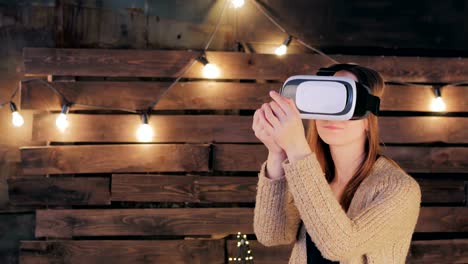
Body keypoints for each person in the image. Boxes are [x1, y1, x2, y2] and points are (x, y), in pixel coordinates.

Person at [252, 63, 422, 264]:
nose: (332, 113)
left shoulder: (401, 189)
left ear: (369, 119)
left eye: (345, 101)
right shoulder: (312, 177)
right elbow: (272, 235)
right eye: (326, 100)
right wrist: (277, 152)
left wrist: (296, 148)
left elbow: (340, 246)